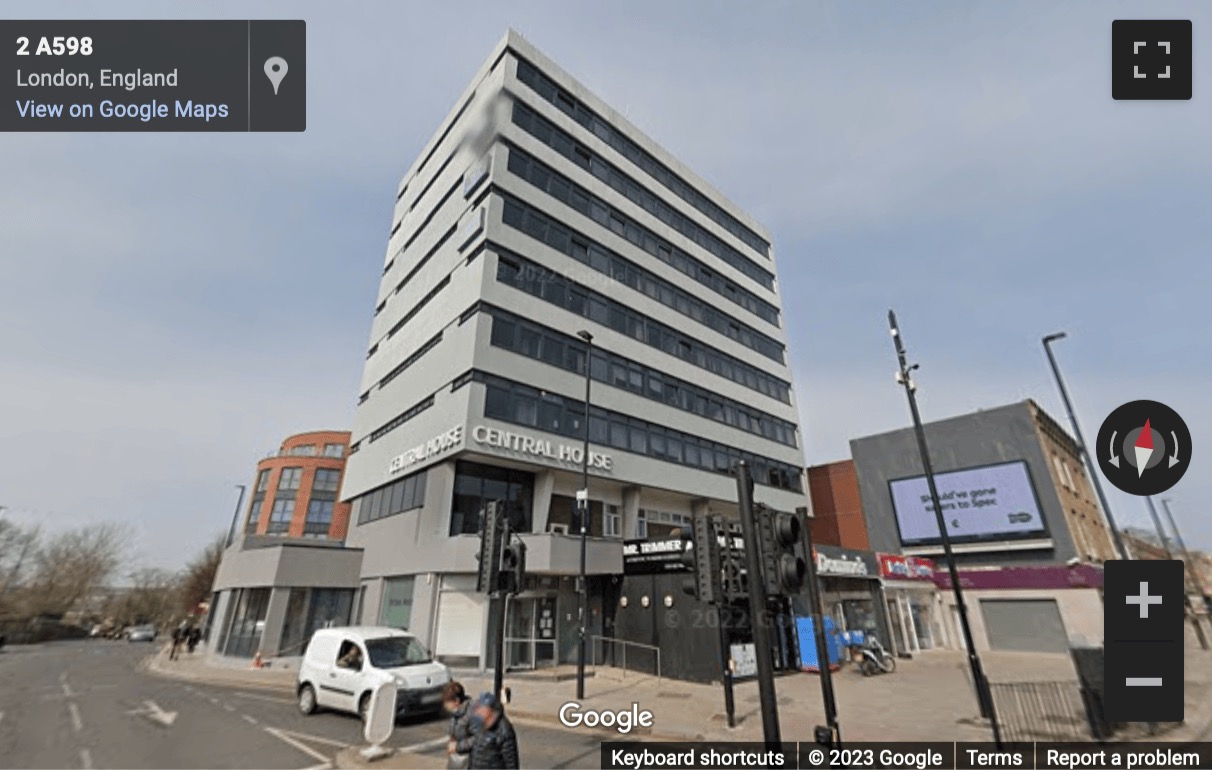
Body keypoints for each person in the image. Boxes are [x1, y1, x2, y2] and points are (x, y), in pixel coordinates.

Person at [465, 692, 518, 770]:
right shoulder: (479, 724)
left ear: (492, 711)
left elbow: (511, 763)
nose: (480, 713)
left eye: (483, 710)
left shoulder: (504, 730)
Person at [443, 682, 472, 769]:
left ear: (456, 701)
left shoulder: (471, 714)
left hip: (468, 762)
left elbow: (478, 738)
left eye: (448, 702)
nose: (445, 705)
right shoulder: (456, 713)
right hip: (456, 760)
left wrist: (457, 746)